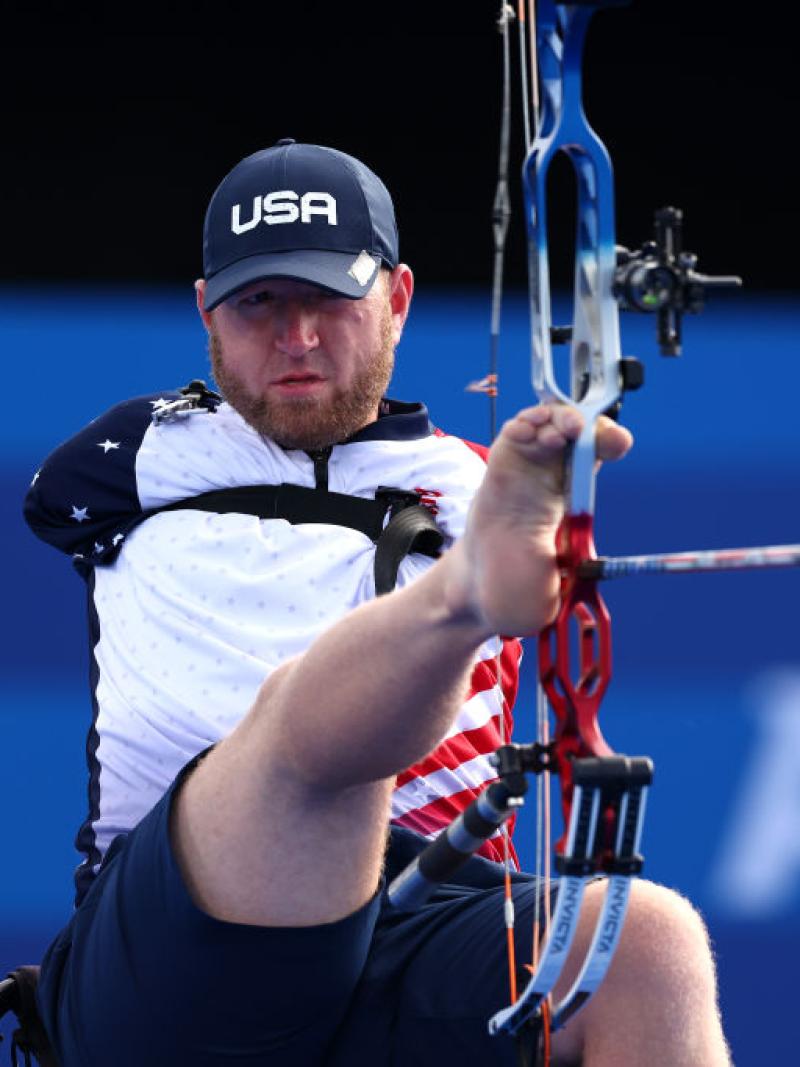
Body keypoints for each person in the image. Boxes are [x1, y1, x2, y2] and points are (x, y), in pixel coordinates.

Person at [24, 140, 731, 1065]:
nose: (297, 338)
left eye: (328, 297)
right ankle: (460, 594)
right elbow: (51, 500)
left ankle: (462, 594)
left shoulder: (481, 482)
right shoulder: (131, 458)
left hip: (424, 918)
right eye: (258, 303)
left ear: (397, 297)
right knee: (300, 741)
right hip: (176, 940)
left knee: (644, 942)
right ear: (207, 312)